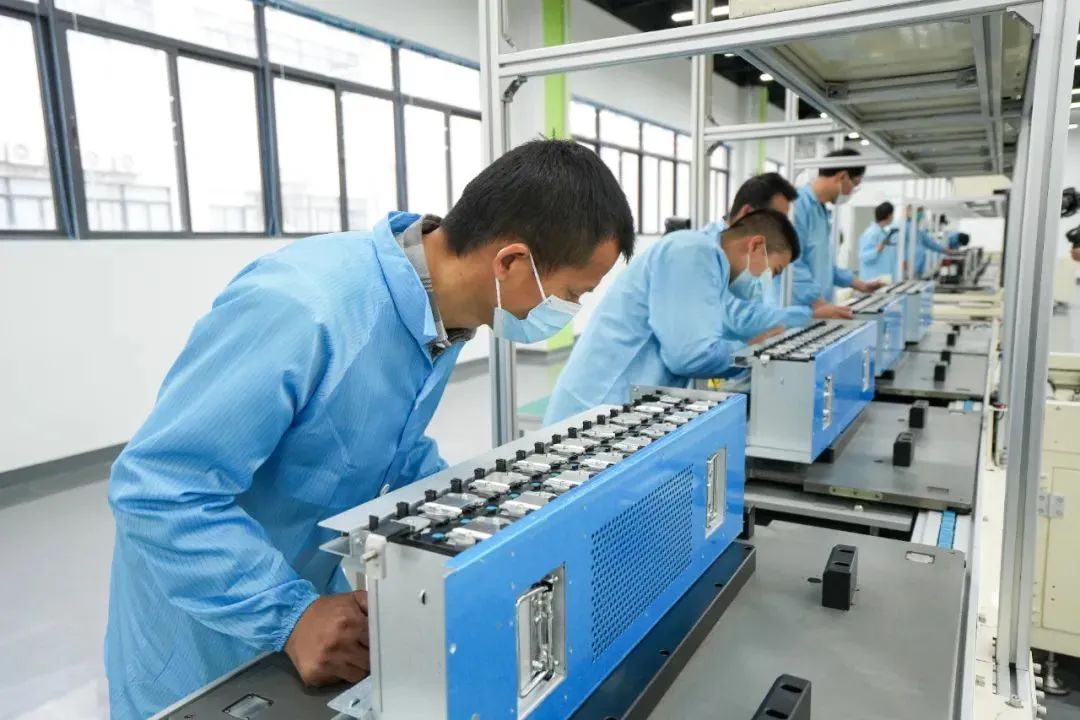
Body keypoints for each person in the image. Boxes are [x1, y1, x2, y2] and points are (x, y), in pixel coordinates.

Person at [104, 140, 636, 720]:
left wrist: (485, 519)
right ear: (509, 262)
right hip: (204, 633)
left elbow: (390, 447)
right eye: (571, 295)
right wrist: (289, 615)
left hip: (306, 601)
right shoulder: (305, 307)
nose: (569, 311)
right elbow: (159, 488)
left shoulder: (442, 319)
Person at [544, 208, 799, 424]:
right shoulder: (692, 253)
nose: (769, 281)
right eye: (774, 271)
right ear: (756, 245)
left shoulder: (711, 267)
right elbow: (690, 355)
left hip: (622, 407)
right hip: (597, 409)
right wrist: (750, 352)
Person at [711, 172, 849, 341]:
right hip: (725, 352)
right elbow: (741, 318)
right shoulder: (713, 251)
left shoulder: (752, 252)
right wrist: (809, 313)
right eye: (774, 219)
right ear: (747, 213)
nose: (780, 230)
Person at [791, 148, 885, 313]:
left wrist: (860, 285)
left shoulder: (822, 212)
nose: (851, 192)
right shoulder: (798, 206)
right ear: (842, 176)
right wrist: (818, 303)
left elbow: (825, 267)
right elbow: (792, 264)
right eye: (854, 185)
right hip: (798, 311)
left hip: (818, 310)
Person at [858, 201, 898, 281]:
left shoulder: (882, 232)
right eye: (892, 214)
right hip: (872, 279)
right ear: (889, 215)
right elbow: (864, 257)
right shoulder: (871, 233)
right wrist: (877, 250)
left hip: (883, 279)